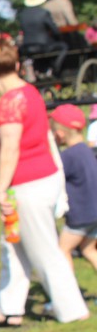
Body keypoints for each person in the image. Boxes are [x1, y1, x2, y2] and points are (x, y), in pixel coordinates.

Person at [0, 38, 89, 326]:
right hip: (44, 179)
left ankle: (72, 309)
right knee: (13, 245)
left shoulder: (10, 103)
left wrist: (2, 190)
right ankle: (10, 308)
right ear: (16, 65)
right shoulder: (31, 92)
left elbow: (11, 148)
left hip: (27, 185)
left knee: (44, 250)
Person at [50, 104, 97, 275]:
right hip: (95, 213)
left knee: (62, 250)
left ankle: (70, 295)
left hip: (81, 217)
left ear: (60, 134)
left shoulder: (67, 157)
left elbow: (53, 177)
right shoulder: (87, 150)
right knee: (88, 250)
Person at [18, 0, 68, 78]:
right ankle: (56, 68)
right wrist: (59, 37)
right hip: (43, 46)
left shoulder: (22, 14)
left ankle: (42, 71)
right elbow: (55, 30)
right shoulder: (43, 13)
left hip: (26, 48)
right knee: (63, 46)